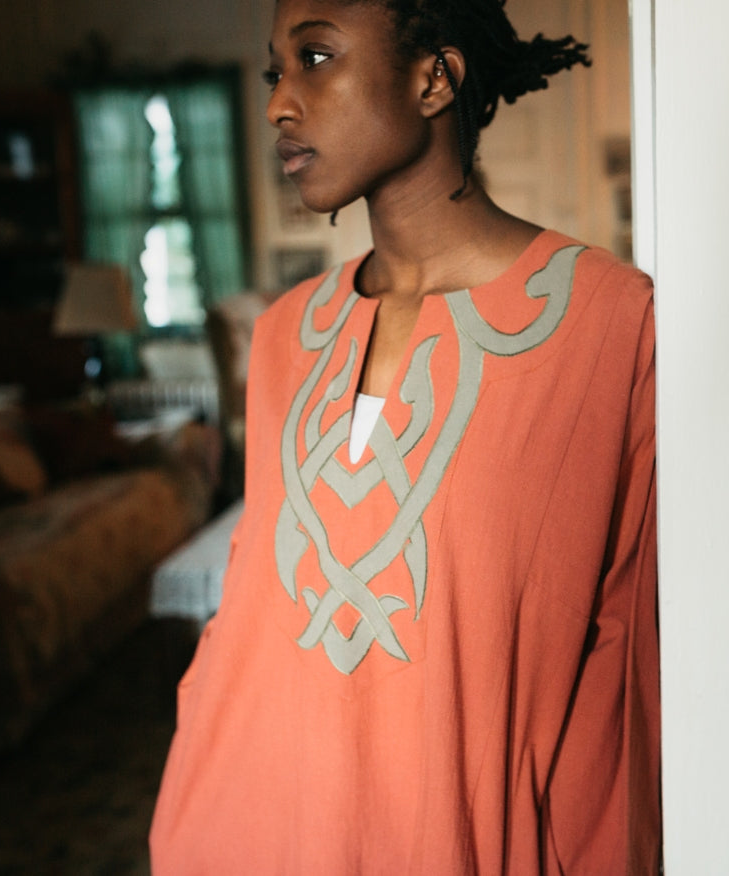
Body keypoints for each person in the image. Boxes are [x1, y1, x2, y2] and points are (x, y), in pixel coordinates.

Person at [150, 0, 660, 872]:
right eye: (276, 71)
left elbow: (627, 664)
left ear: (434, 78)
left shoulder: (610, 326)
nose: (277, 102)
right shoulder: (282, 339)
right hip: (252, 831)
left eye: (315, 57)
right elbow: (249, 623)